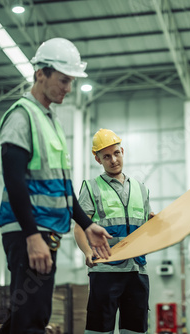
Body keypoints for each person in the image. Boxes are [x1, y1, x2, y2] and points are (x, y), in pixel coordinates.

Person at [0, 38, 112, 334]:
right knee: (32, 318)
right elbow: (14, 181)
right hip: (30, 233)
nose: (68, 89)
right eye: (63, 80)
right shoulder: (22, 116)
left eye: (71, 81)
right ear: (41, 74)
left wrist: (86, 225)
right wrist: (32, 236)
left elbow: (61, 188)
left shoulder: (50, 121)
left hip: (46, 230)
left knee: (26, 315)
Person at [74, 128, 154, 334]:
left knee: (135, 330)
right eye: (106, 156)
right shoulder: (91, 188)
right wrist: (87, 252)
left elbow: (146, 226)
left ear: (123, 151)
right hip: (105, 270)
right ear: (98, 159)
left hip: (137, 269)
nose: (113, 160)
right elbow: (80, 227)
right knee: (100, 330)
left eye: (116, 153)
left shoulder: (141, 189)